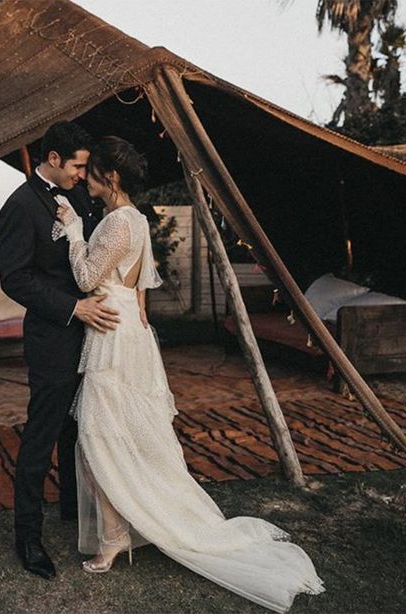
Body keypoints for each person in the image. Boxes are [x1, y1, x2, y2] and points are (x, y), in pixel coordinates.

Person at [56, 136, 325, 613]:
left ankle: (120, 535)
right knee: (105, 435)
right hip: (124, 328)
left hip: (115, 338)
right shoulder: (133, 220)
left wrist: (75, 230)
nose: (87, 179)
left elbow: (84, 279)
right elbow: (140, 289)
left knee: (101, 434)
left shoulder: (119, 222)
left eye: (92, 172)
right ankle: (118, 533)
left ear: (109, 178)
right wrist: (134, 312)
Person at [0, 121, 121, 580]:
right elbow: (16, 278)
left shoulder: (84, 197)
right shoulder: (20, 206)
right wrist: (74, 308)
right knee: (42, 435)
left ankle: (73, 511)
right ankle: (27, 538)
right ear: (53, 160)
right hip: (54, 338)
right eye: (78, 165)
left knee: (81, 428)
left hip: (96, 340)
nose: (83, 174)